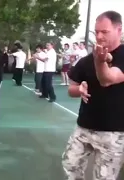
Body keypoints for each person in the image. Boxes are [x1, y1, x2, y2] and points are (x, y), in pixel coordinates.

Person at [62, 11, 124, 180]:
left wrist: (100, 61)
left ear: (119, 30)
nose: (99, 36)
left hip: (113, 132)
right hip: (84, 127)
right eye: (96, 32)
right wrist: (79, 90)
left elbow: (107, 79)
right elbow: (71, 89)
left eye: (104, 32)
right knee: (70, 165)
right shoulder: (85, 61)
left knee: (104, 177)